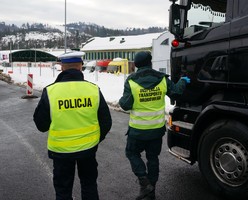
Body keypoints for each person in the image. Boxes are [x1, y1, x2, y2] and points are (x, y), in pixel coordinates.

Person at [33, 51, 112, 200]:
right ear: (81, 67)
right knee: (89, 186)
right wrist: (94, 139)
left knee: (63, 191)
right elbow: (106, 122)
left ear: (62, 68)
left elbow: (41, 125)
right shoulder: (93, 89)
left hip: (61, 152)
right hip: (88, 150)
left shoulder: (51, 91)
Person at [119, 51, 190, 200]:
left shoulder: (131, 81)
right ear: (150, 62)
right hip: (156, 131)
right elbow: (176, 93)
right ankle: (151, 192)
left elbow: (125, 105)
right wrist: (183, 81)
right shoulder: (162, 79)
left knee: (132, 153)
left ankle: (144, 183)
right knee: (153, 159)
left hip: (137, 132)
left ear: (137, 65)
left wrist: (124, 99)